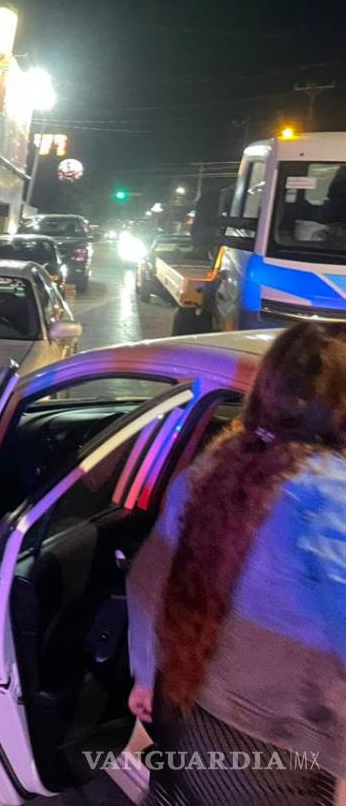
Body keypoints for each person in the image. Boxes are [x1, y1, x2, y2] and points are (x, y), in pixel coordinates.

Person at [126, 320, 346, 805]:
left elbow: (148, 584)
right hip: (275, 750)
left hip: (184, 705)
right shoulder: (331, 502)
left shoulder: (214, 464)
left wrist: (145, 672)